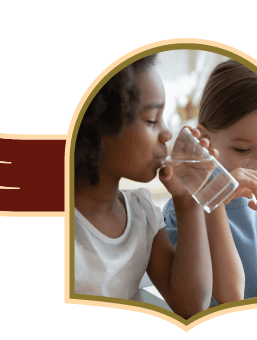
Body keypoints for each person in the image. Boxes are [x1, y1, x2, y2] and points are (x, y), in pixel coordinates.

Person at [74, 54, 219, 318]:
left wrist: (187, 201)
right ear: (97, 128)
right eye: (153, 120)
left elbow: (192, 304)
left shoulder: (142, 213)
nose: (167, 134)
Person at [163, 59, 257, 304]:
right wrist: (215, 194)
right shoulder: (184, 210)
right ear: (205, 139)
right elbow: (229, 298)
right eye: (242, 149)